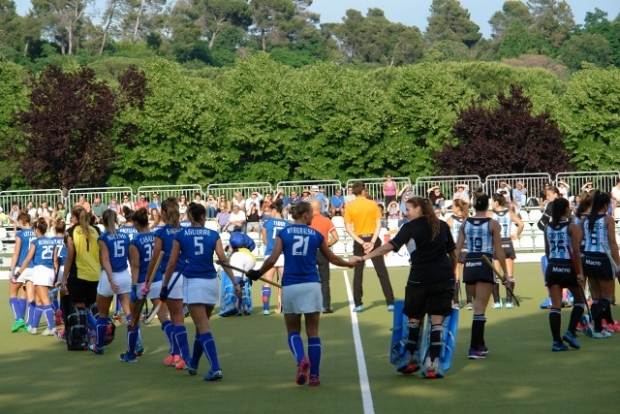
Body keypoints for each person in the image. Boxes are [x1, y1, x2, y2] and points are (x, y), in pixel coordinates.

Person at [246, 202, 357, 386]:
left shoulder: (284, 233)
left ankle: (301, 360)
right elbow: (333, 258)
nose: (313, 217)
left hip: (290, 286)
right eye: (311, 214)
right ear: (305, 215)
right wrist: (349, 263)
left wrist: (257, 273)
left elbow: (272, 259)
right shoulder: (316, 234)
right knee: (313, 332)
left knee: (293, 331)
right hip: (312, 286)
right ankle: (314, 375)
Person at [355, 197, 458, 378]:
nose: (405, 212)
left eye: (408, 209)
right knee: (437, 322)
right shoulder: (442, 225)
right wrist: (454, 272)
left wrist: (365, 257)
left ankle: (410, 358)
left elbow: (389, 246)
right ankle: (433, 364)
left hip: (419, 279)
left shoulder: (410, 227)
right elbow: (453, 253)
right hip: (444, 278)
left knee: (414, 318)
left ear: (419, 209)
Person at [162, 202, 238, 381]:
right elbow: (223, 259)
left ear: (189, 217)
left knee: (203, 328)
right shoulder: (213, 234)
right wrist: (235, 282)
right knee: (200, 327)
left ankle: (216, 367)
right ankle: (194, 363)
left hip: (193, 283)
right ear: (203, 216)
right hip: (211, 283)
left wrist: (165, 286)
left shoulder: (181, 235)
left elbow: (172, 263)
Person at [454, 191, 508, 360]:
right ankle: (473, 348)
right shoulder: (493, 224)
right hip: (485, 265)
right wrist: (506, 273)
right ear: (487, 205)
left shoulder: (465, 223)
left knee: (479, 307)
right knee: (479, 308)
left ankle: (481, 344)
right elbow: (499, 250)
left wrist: (451, 269)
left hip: (469, 265)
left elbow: (457, 249)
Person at [122, 207, 171, 363]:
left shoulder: (135, 242)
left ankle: (131, 354)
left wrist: (135, 286)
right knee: (164, 318)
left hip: (142, 282)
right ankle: (175, 349)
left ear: (136, 222)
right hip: (156, 280)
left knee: (134, 320)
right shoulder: (155, 236)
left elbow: (135, 266)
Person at [145, 197, 186, 368]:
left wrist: (146, 280)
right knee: (177, 316)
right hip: (184, 275)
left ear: (162, 213)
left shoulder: (160, 233)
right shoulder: (183, 231)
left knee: (176, 317)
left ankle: (181, 355)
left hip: (170, 276)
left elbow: (155, 258)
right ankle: (176, 352)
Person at [544, 197, 587, 351]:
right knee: (580, 300)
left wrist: (552, 266)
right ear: (565, 210)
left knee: (555, 306)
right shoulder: (572, 227)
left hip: (553, 266)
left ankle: (556, 342)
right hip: (568, 266)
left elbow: (547, 251)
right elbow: (576, 251)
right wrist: (580, 273)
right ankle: (569, 332)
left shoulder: (548, 227)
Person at [344, 181, 395, 312]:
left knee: (358, 273)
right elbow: (379, 224)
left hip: (359, 240)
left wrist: (362, 242)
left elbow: (349, 229)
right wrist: (372, 242)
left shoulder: (350, 207)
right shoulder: (372, 204)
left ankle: (358, 304)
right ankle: (390, 302)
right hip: (373, 239)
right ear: (363, 191)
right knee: (381, 271)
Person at [89, 209, 132, 355]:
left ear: (103, 220)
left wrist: (111, 279)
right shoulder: (125, 236)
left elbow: (105, 260)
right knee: (129, 313)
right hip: (125, 275)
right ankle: (136, 343)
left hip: (109, 277)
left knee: (102, 313)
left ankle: (99, 346)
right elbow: (130, 258)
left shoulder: (103, 238)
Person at [60, 207, 101, 346]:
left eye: (72, 217)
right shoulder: (96, 230)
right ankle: (102, 328)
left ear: (75, 217)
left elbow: (70, 257)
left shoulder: (71, 232)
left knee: (80, 307)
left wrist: (64, 278)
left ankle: (84, 339)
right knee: (92, 304)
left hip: (79, 273)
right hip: (95, 273)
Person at [581, 191, 620, 338]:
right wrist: (618, 264)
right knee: (608, 296)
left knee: (597, 296)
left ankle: (597, 330)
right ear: (605, 204)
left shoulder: (586, 219)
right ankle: (589, 317)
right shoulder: (607, 219)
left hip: (588, 257)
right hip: (603, 258)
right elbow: (613, 243)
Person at [15, 218, 58, 336]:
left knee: (44, 300)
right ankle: (34, 327)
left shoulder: (36, 242)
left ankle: (51, 327)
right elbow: (55, 261)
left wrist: (18, 273)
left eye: (35, 229)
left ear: (38, 230)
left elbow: (28, 259)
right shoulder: (52, 242)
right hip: (50, 272)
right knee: (39, 300)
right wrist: (55, 277)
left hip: (40, 271)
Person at [490, 194, 524, 309]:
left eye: (492, 201)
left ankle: (497, 301)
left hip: (496, 244)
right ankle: (509, 301)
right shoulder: (509, 213)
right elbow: (521, 224)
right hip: (508, 243)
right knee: (509, 275)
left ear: (496, 202)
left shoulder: (491, 214)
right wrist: (516, 235)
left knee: (495, 274)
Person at [309, 200, 339, 314]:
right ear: (320, 207)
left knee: (309, 279)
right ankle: (325, 306)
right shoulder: (326, 220)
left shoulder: (307, 220)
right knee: (325, 279)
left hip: (309, 251)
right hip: (322, 251)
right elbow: (336, 237)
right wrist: (328, 244)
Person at [261, 199, 289, 315]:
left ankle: (266, 309)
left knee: (267, 282)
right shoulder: (288, 224)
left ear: (274, 210)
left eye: (269, 211)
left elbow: (264, 240)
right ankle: (285, 307)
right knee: (285, 282)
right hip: (283, 254)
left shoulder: (267, 223)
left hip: (270, 254)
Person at [8, 212, 35, 333]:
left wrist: (12, 269)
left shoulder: (20, 234)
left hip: (21, 268)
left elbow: (16, 253)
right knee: (26, 296)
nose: (18, 223)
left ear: (22, 221)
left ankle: (19, 319)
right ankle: (27, 324)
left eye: (18, 221)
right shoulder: (36, 232)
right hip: (33, 268)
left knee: (13, 294)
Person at [446, 199, 471, 310]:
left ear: (457, 207)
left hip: (456, 249)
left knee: (456, 275)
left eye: (453, 206)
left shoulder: (451, 220)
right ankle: (469, 302)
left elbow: (443, 234)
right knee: (467, 275)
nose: (452, 208)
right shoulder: (468, 219)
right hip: (467, 249)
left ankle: (456, 302)